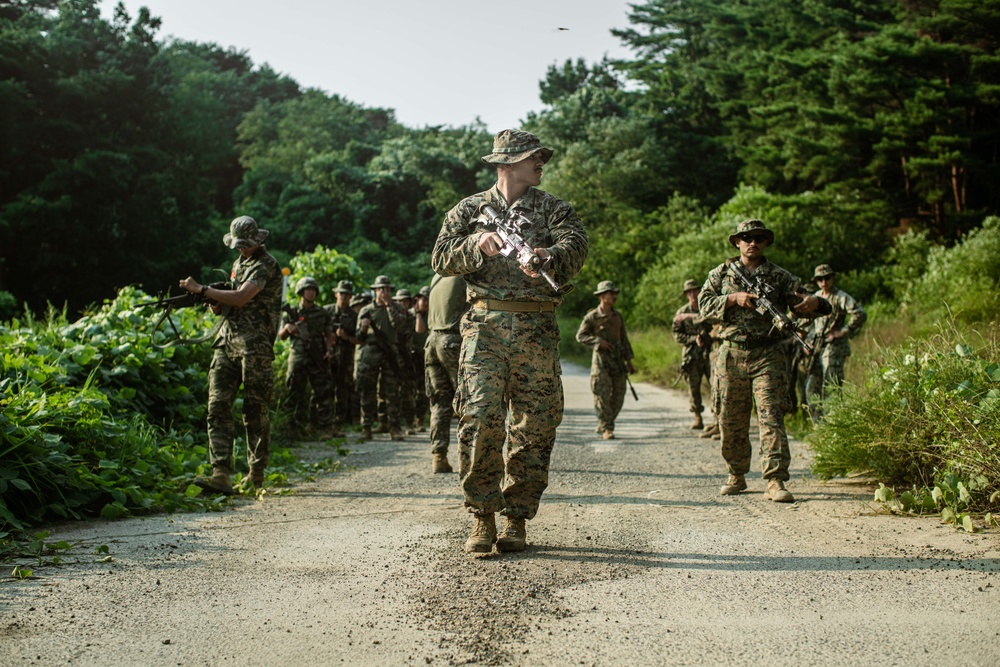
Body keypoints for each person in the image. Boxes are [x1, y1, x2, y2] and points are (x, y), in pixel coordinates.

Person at [432, 128, 588, 553]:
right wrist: (476, 243)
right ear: (505, 163)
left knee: (534, 426)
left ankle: (516, 518)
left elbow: (576, 245)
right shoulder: (468, 209)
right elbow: (440, 256)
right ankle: (481, 516)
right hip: (483, 329)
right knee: (480, 419)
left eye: (541, 156)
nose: (541, 162)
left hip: (537, 329)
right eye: (532, 156)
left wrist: (546, 256)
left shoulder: (554, 209)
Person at [698, 219, 830, 503]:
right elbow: (704, 305)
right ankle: (736, 475)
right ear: (737, 242)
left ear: (766, 242)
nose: (752, 242)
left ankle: (775, 479)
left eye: (758, 237)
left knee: (771, 417)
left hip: (768, 354)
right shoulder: (721, 273)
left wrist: (815, 303)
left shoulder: (779, 276)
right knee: (730, 419)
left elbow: (807, 303)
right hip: (731, 353)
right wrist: (733, 298)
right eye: (746, 237)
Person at [179, 216, 281, 493]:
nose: (241, 250)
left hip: (254, 347)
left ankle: (255, 472)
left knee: (254, 409)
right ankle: (220, 472)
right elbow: (231, 302)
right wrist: (215, 302)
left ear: (258, 241)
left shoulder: (266, 264)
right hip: (227, 342)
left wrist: (202, 289)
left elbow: (241, 297)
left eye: (246, 245)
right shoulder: (239, 264)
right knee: (217, 405)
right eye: (238, 246)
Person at [802, 264, 867, 420]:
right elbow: (808, 321)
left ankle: (833, 426)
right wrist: (806, 341)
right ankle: (818, 427)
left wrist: (842, 332)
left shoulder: (840, 297)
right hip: (817, 347)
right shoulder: (816, 296)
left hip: (833, 347)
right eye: (820, 279)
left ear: (833, 278)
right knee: (811, 388)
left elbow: (860, 313)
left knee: (831, 388)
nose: (824, 282)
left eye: (827, 278)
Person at [575, 280, 636, 440]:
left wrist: (629, 362)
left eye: (615, 293)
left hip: (617, 362)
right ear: (602, 296)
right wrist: (598, 342)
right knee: (602, 396)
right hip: (601, 363)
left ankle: (605, 422)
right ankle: (607, 428)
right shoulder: (592, 317)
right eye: (611, 293)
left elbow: (624, 340)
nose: (614, 296)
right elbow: (580, 336)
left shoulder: (618, 316)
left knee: (618, 395)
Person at [278, 277, 336, 438]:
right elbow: (281, 336)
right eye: (307, 290)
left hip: (316, 356)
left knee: (322, 392)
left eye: (313, 290)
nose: (310, 292)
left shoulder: (322, 312)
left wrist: (329, 350)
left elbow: (329, 334)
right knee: (294, 392)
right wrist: (288, 328)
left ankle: (325, 427)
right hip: (297, 356)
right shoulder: (292, 311)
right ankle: (293, 428)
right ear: (301, 292)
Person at [355, 275, 409, 441]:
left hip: (390, 351)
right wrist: (363, 329)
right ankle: (367, 427)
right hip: (371, 351)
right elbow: (358, 338)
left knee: (392, 390)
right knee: (367, 389)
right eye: (381, 289)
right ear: (375, 291)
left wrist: (388, 306)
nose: (384, 292)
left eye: (387, 289)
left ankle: (395, 427)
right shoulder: (366, 310)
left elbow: (400, 327)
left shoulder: (398, 308)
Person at [424, 275, 469, 473]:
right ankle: (469, 457)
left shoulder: (437, 276)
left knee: (440, 403)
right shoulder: (465, 273)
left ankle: (438, 456)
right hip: (452, 340)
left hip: (431, 342)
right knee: (467, 399)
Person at [672, 279, 715, 432]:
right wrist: (693, 340)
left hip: (710, 354)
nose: (693, 294)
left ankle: (717, 418)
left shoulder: (707, 308)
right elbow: (676, 334)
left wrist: (705, 339)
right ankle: (698, 417)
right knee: (693, 387)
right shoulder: (681, 312)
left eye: (695, 290)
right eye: (689, 292)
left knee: (716, 386)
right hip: (692, 356)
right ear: (686, 294)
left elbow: (715, 323)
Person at [323, 280, 359, 435]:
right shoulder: (326, 311)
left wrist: (346, 337)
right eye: (341, 293)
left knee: (342, 392)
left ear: (351, 297)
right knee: (325, 390)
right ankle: (324, 424)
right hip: (328, 356)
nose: (344, 297)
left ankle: (338, 424)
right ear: (336, 294)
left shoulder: (355, 315)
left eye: (347, 294)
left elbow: (360, 340)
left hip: (346, 357)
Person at [411, 286, 431, 432]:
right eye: (422, 299)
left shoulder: (432, 315)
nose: (425, 302)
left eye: (427, 299)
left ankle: (419, 420)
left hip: (425, 355)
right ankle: (408, 420)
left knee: (423, 389)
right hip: (410, 356)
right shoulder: (408, 314)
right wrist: (417, 314)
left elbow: (422, 330)